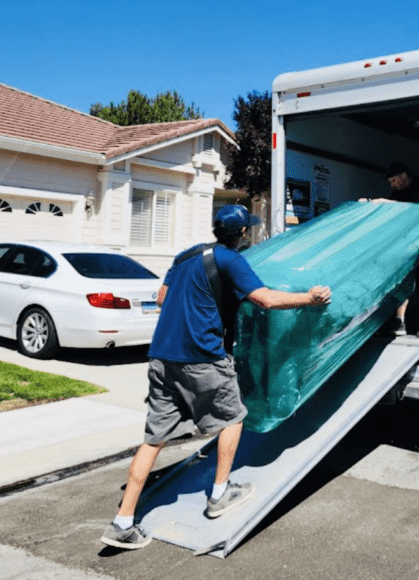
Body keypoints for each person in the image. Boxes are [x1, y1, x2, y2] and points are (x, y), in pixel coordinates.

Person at [99, 205, 331, 551]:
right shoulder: (230, 260)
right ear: (242, 233)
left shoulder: (185, 256)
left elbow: (162, 298)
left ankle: (123, 522)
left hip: (162, 357)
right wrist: (309, 298)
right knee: (233, 417)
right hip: (202, 357)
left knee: (154, 438)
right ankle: (220, 494)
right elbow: (266, 300)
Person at [379, 161, 419, 338]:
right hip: (405, 246)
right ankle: (400, 321)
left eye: (393, 181)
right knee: (403, 281)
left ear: (403, 176)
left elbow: (414, 213)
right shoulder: (397, 194)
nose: (392, 185)